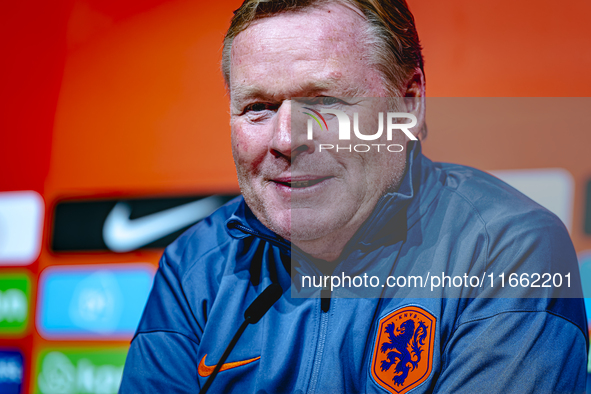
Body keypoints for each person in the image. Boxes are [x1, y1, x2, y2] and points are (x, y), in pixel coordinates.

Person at [119, 1, 588, 393]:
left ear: (409, 103)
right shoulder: (195, 264)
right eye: (257, 108)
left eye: (324, 102)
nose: (285, 139)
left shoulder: (507, 249)